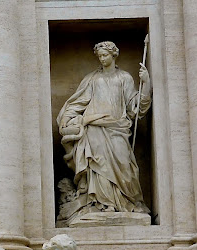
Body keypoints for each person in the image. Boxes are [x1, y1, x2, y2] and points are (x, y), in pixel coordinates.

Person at [57, 41, 151, 223]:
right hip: (94, 128)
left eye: (105, 55)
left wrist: (146, 83)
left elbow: (135, 108)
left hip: (117, 128)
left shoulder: (124, 78)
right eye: (99, 56)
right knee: (97, 166)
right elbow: (78, 103)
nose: (102, 58)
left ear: (113, 55)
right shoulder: (92, 79)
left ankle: (126, 203)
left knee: (124, 164)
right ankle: (100, 203)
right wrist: (67, 119)